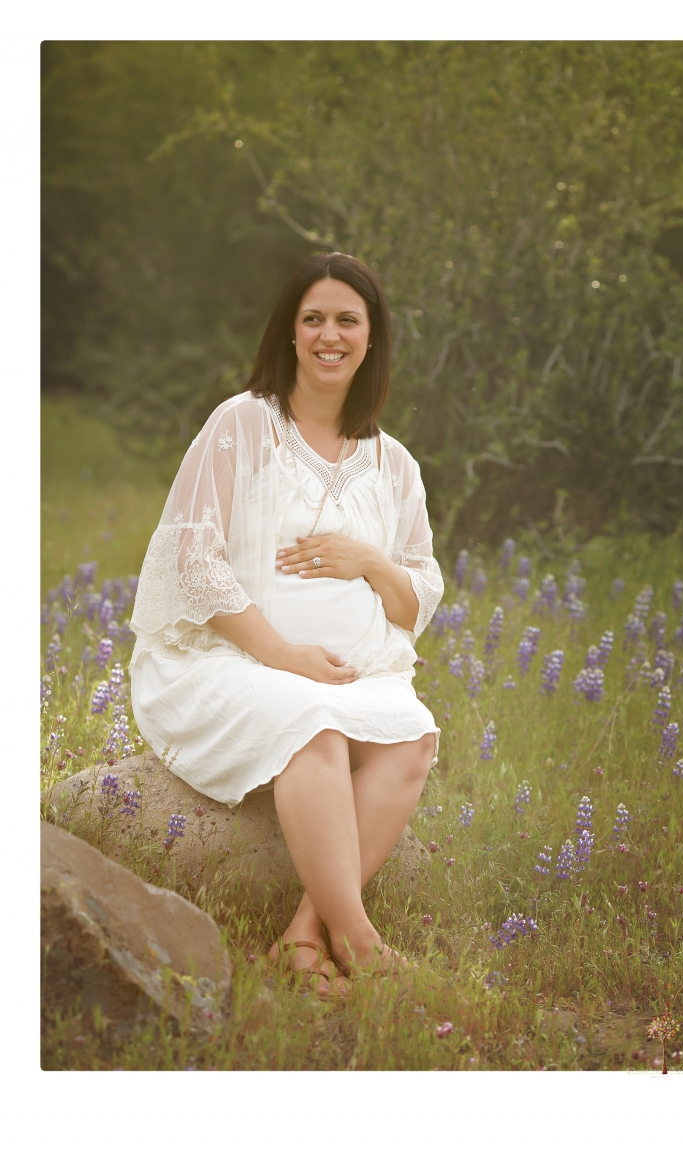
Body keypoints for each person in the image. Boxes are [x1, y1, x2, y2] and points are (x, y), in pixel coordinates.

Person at [129, 252, 444, 996]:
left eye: (346, 320)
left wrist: (369, 558)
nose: (328, 334)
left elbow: (416, 598)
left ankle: (305, 932)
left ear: (371, 339)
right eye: (313, 319)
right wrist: (283, 655)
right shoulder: (243, 424)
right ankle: (362, 942)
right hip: (227, 661)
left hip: (355, 673)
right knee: (314, 726)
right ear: (290, 334)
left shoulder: (394, 463)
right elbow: (193, 560)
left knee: (412, 737)